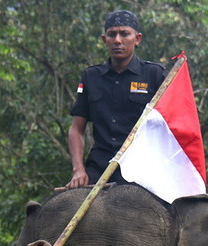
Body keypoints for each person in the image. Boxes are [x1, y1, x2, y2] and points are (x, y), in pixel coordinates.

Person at [66, 10, 166, 188]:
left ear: (137, 39)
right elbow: (76, 129)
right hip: (98, 169)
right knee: (64, 210)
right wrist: (78, 169)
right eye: (112, 35)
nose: (118, 40)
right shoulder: (91, 76)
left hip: (142, 170)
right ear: (105, 40)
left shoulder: (154, 74)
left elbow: (171, 126)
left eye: (125, 34)